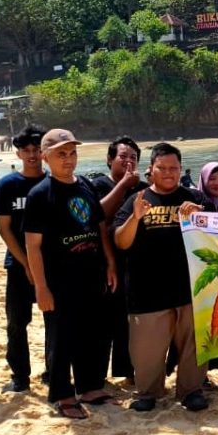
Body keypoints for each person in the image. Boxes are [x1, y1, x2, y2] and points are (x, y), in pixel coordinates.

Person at [24, 128, 117, 419]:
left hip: (92, 273)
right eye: (61, 154)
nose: (68, 159)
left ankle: (89, 387)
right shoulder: (40, 194)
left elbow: (100, 228)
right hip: (59, 280)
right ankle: (63, 394)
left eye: (72, 153)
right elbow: (33, 246)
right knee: (61, 337)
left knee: (91, 333)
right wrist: (40, 287)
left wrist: (110, 263)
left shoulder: (86, 185)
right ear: (45, 157)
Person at [113, 143, 212, 413]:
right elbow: (120, 242)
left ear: (181, 169)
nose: (168, 173)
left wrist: (200, 219)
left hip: (190, 291)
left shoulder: (198, 200)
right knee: (147, 354)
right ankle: (148, 392)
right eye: (162, 168)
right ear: (151, 170)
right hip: (147, 294)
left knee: (193, 347)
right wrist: (135, 218)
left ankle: (191, 390)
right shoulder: (137, 199)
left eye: (174, 168)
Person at [0, 126, 49, 393]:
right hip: (18, 265)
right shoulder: (8, 185)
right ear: (18, 153)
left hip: (52, 265)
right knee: (16, 323)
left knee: (55, 323)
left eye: (37, 150)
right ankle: (20, 376)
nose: (33, 155)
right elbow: (4, 229)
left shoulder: (53, 182)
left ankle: (53, 371)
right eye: (27, 150)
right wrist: (26, 263)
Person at [90, 136, 146, 383]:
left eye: (133, 158)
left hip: (133, 263)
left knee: (129, 320)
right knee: (101, 322)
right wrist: (123, 185)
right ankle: (97, 376)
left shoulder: (142, 189)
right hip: (102, 261)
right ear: (109, 159)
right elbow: (97, 215)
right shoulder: (96, 185)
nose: (128, 161)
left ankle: (128, 373)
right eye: (123, 156)